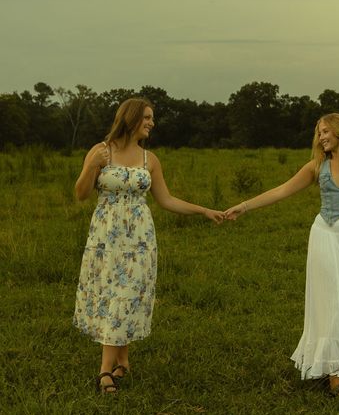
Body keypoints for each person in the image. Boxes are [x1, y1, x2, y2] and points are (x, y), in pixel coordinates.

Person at [225, 113, 339, 403]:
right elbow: (282, 190)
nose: (320, 137)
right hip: (326, 238)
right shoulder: (317, 166)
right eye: (318, 133)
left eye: (325, 131)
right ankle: (335, 375)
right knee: (337, 299)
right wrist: (244, 207)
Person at [73, 97, 225, 394]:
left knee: (128, 293)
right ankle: (107, 370)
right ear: (130, 119)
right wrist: (91, 166)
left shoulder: (149, 160)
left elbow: (166, 200)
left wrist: (204, 211)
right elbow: (80, 194)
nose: (151, 123)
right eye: (147, 117)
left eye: (152, 118)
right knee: (113, 293)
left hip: (140, 238)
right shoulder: (100, 151)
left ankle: (121, 361)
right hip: (106, 237)